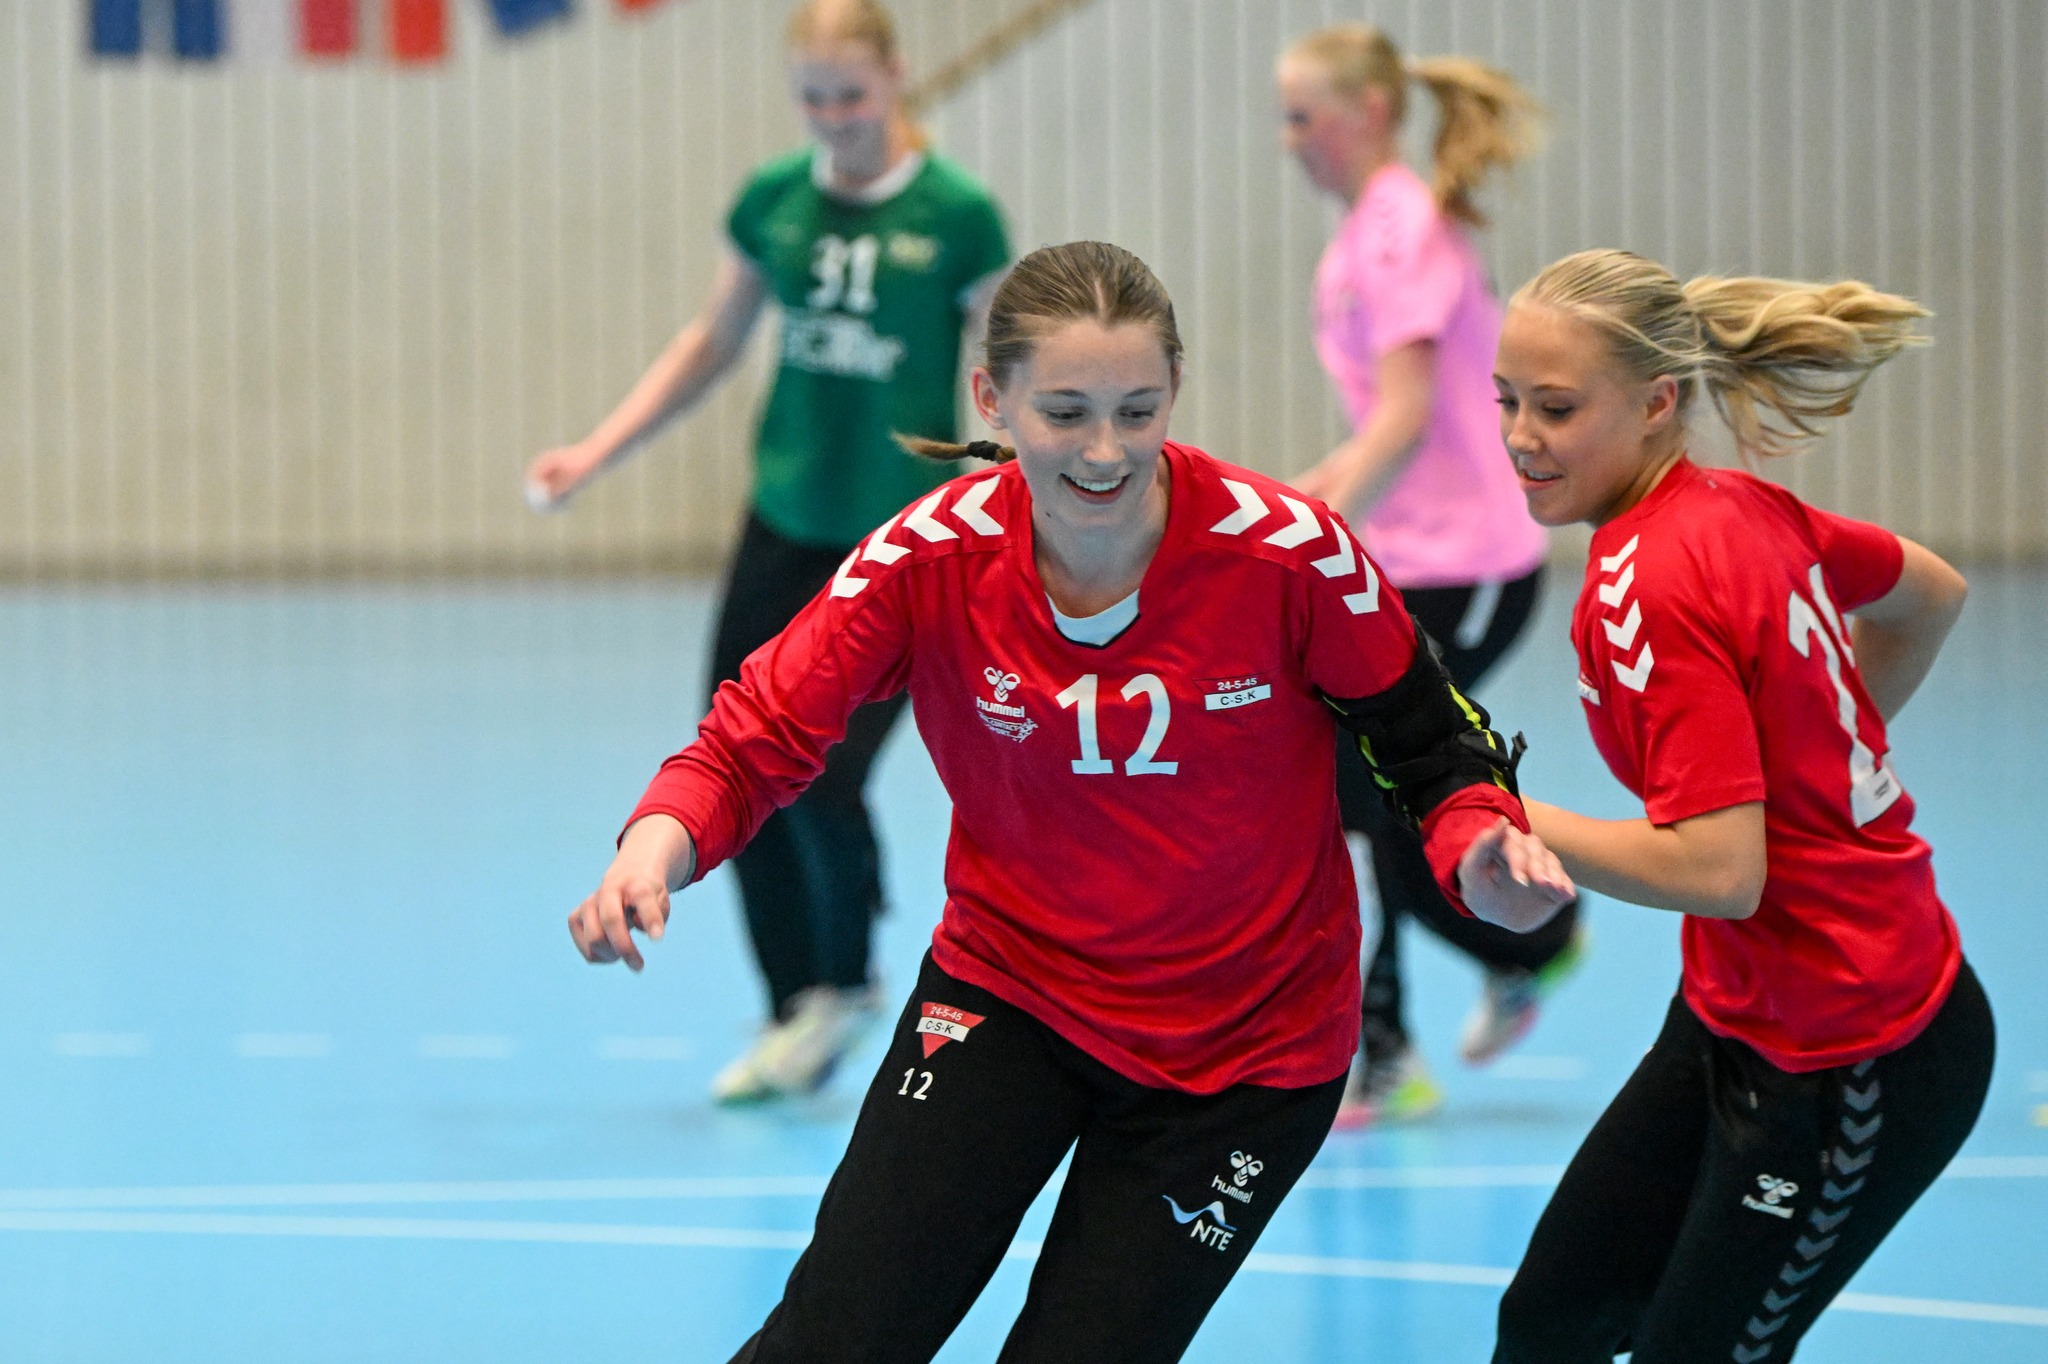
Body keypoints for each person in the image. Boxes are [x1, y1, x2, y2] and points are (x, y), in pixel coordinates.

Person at [567, 241, 1574, 1363]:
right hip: (1013, 993)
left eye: (1137, 411)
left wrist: (1477, 842)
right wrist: (653, 848)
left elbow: (1431, 743)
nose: (1105, 452)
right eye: (1065, 413)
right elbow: (755, 733)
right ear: (990, 398)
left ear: (1175, 390)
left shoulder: (1288, 555)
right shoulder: (929, 556)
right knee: (835, 1339)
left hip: (1247, 1050)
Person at [1490, 248, 1994, 1363]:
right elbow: (1931, 593)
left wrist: (1495, 810)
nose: (1521, 435)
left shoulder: (1654, 584)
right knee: (1551, 1321)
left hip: (1855, 1049)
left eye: (1556, 408)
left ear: (1656, 402)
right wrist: (1812, 752)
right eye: (1506, 400)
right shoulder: (1733, 506)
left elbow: (1719, 871)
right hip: (1733, 1013)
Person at [526, 0, 1011, 1103]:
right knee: (735, 755)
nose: (834, 118)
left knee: (830, 771)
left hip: (898, 539)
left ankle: (848, 975)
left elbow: (1013, 368)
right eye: (813, 99)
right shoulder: (775, 201)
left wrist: (1029, 501)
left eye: (852, 96)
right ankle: (795, 1001)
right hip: (784, 518)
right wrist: (595, 450)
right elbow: (711, 341)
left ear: (895, 79)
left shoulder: (957, 214)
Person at [1277, 22, 1584, 1126]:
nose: (1289, 139)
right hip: (1410, 557)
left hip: (1468, 562)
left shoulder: (1400, 227)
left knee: (1373, 788)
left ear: (1365, 113)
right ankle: (1418, 1019)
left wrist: (1312, 527)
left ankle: (1517, 948)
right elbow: (1381, 423)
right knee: (1359, 793)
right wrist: (1292, 503)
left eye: (1303, 116)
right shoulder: (1368, 229)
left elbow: (1405, 416)